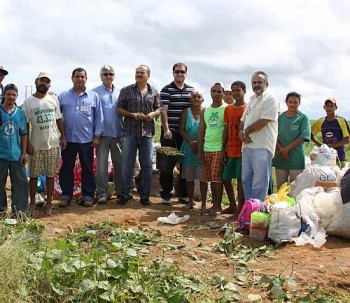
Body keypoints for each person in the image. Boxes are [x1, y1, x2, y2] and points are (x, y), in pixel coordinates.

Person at [58, 68, 104, 207]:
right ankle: (66, 195)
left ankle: (88, 195)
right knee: (66, 167)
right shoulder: (63, 96)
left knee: (87, 168)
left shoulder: (93, 96)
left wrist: (97, 136)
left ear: (86, 78)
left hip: (87, 140)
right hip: (68, 139)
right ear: (72, 78)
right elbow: (57, 117)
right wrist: (61, 136)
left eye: (82, 77)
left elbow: (99, 117)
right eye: (77, 76)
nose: (79, 79)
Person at [22, 72, 67, 215]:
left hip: (53, 143)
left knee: (50, 175)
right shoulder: (28, 101)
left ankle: (49, 204)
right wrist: (27, 142)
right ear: (36, 81)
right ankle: (33, 203)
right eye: (42, 80)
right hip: (35, 144)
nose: (44, 83)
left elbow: (59, 119)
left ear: (49, 85)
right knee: (34, 175)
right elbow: (25, 124)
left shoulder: (53, 99)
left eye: (47, 81)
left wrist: (63, 137)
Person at [117, 65, 161, 206]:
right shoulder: (126, 90)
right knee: (127, 165)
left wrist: (152, 115)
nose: (139, 75)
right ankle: (124, 194)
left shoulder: (154, 92)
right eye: (137, 73)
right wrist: (132, 115)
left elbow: (159, 109)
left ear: (148, 75)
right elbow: (119, 109)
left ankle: (144, 196)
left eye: (142, 73)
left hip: (147, 133)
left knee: (147, 166)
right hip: (130, 132)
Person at [239, 71, 279, 202]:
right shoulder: (252, 99)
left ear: (266, 84)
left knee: (259, 183)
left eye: (259, 82)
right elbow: (242, 120)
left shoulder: (271, 99)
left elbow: (264, 121)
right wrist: (242, 133)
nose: (256, 85)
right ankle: (248, 211)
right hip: (247, 146)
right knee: (246, 180)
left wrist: (246, 132)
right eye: (254, 82)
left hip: (261, 146)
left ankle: (257, 214)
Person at [159, 63, 194, 205]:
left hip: (185, 133)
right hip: (170, 132)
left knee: (185, 164)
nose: (180, 74)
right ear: (173, 73)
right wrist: (166, 129)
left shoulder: (191, 90)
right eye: (177, 72)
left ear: (186, 73)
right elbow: (163, 111)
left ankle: (184, 194)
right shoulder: (166, 90)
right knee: (166, 165)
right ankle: (166, 194)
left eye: (182, 72)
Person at [93, 65, 124, 204]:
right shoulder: (95, 93)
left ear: (114, 75)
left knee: (120, 164)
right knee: (101, 166)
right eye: (105, 74)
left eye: (111, 74)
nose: (108, 76)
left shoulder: (120, 92)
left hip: (118, 133)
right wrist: (95, 135)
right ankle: (102, 193)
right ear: (101, 76)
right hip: (102, 134)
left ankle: (120, 191)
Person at [197, 82, 226, 214]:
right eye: (214, 91)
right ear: (210, 93)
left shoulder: (226, 109)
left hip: (219, 148)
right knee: (209, 178)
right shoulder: (205, 110)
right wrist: (199, 150)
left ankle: (217, 206)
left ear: (223, 93)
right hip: (207, 147)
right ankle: (213, 205)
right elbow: (202, 130)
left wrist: (223, 149)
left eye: (219, 91)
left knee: (216, 179)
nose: (216, 94)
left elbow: (226, 130)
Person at [272, 92, 311, 190]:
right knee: (281, 188)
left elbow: (303, 136)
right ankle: (281, 205)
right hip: (280, 156)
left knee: (296, 187)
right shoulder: (280, 117)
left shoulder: (303, 118)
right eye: (290, 102)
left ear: (299, 103)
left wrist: (286, 150)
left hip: (296, 158)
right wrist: (281, 150)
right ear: (286, 103)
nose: (292, 104)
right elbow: (274, 134)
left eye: (295, 102)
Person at [0, 84, 28, 217]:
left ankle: (19, 213)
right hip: (1, 154)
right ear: (4, 95)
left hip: (17, 155)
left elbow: (23, 134)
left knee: (21, 185)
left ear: (17, 96)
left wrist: (23, 152)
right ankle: (2, 212)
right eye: (9, 94)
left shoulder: (20, 113)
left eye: (14, 95)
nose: (11, 97)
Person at [178, 90, 208, 211]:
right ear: (190, 100)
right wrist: (191, 142)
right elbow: (181, 130)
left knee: (203, 178)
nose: (196, 98)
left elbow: (208, 129)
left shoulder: (206, 112)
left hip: (203, 148)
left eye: (198, 97)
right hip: (188, 148)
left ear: (202, 100)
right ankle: (190, 201)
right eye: (194, 97)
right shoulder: (186, 112)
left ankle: (204, 203)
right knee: (189, 177)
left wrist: (199, 143)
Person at [221, 81, 246, 214]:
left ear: (244, 91)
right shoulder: (228, 109)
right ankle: (232, 205)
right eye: (233, 90)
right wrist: (222, 148)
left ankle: (240, 210)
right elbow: (226, 129)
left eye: (238, 90)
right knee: (225, 177)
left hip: (242, 150)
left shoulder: (247, 108)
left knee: (240, 180)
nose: (235, 93)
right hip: (230, 148)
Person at [311, 98, 350, 168]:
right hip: (325, 158)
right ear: (324, 107)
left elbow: (347, 140)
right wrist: (321, 146)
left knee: (340, 177)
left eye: (332, 106)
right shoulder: (320, 121)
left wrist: (329, 147)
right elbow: (311, 136)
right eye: (327, 106)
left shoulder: (341, 121)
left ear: (336, 107)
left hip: (339, 158)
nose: (329, 108)